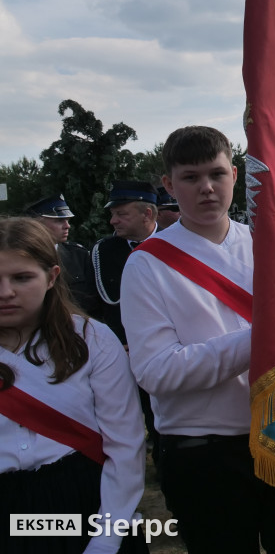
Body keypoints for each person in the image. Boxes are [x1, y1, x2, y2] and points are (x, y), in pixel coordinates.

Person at [120, 126, 275, 553]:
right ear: (168, 184)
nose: (206, 188)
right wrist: (263, 340)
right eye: (190, 177)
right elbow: (157, 371)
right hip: (205, 454)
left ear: (235, 176)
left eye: (217, 174)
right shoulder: (146, 265)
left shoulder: (267, 244)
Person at [0, 217, 147, 554]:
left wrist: (106, 538)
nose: (5, 292)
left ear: (51, 277)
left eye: (22, 278)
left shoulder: (92, 339)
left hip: (86, 500)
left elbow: (125, 446)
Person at [92, 181, 159, 346]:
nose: (113, 221)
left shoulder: (175, 244)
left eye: (121, 214)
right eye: (112, 214)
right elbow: (93, 306)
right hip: (119, 349)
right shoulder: (103, 251)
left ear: (147, 214)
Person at [25, 193, 103, 319]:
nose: (67, 226)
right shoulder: (22, 257)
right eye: (59, 220)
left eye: (67, 220)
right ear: (36, 224)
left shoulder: (78, 255)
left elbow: (92, 302)